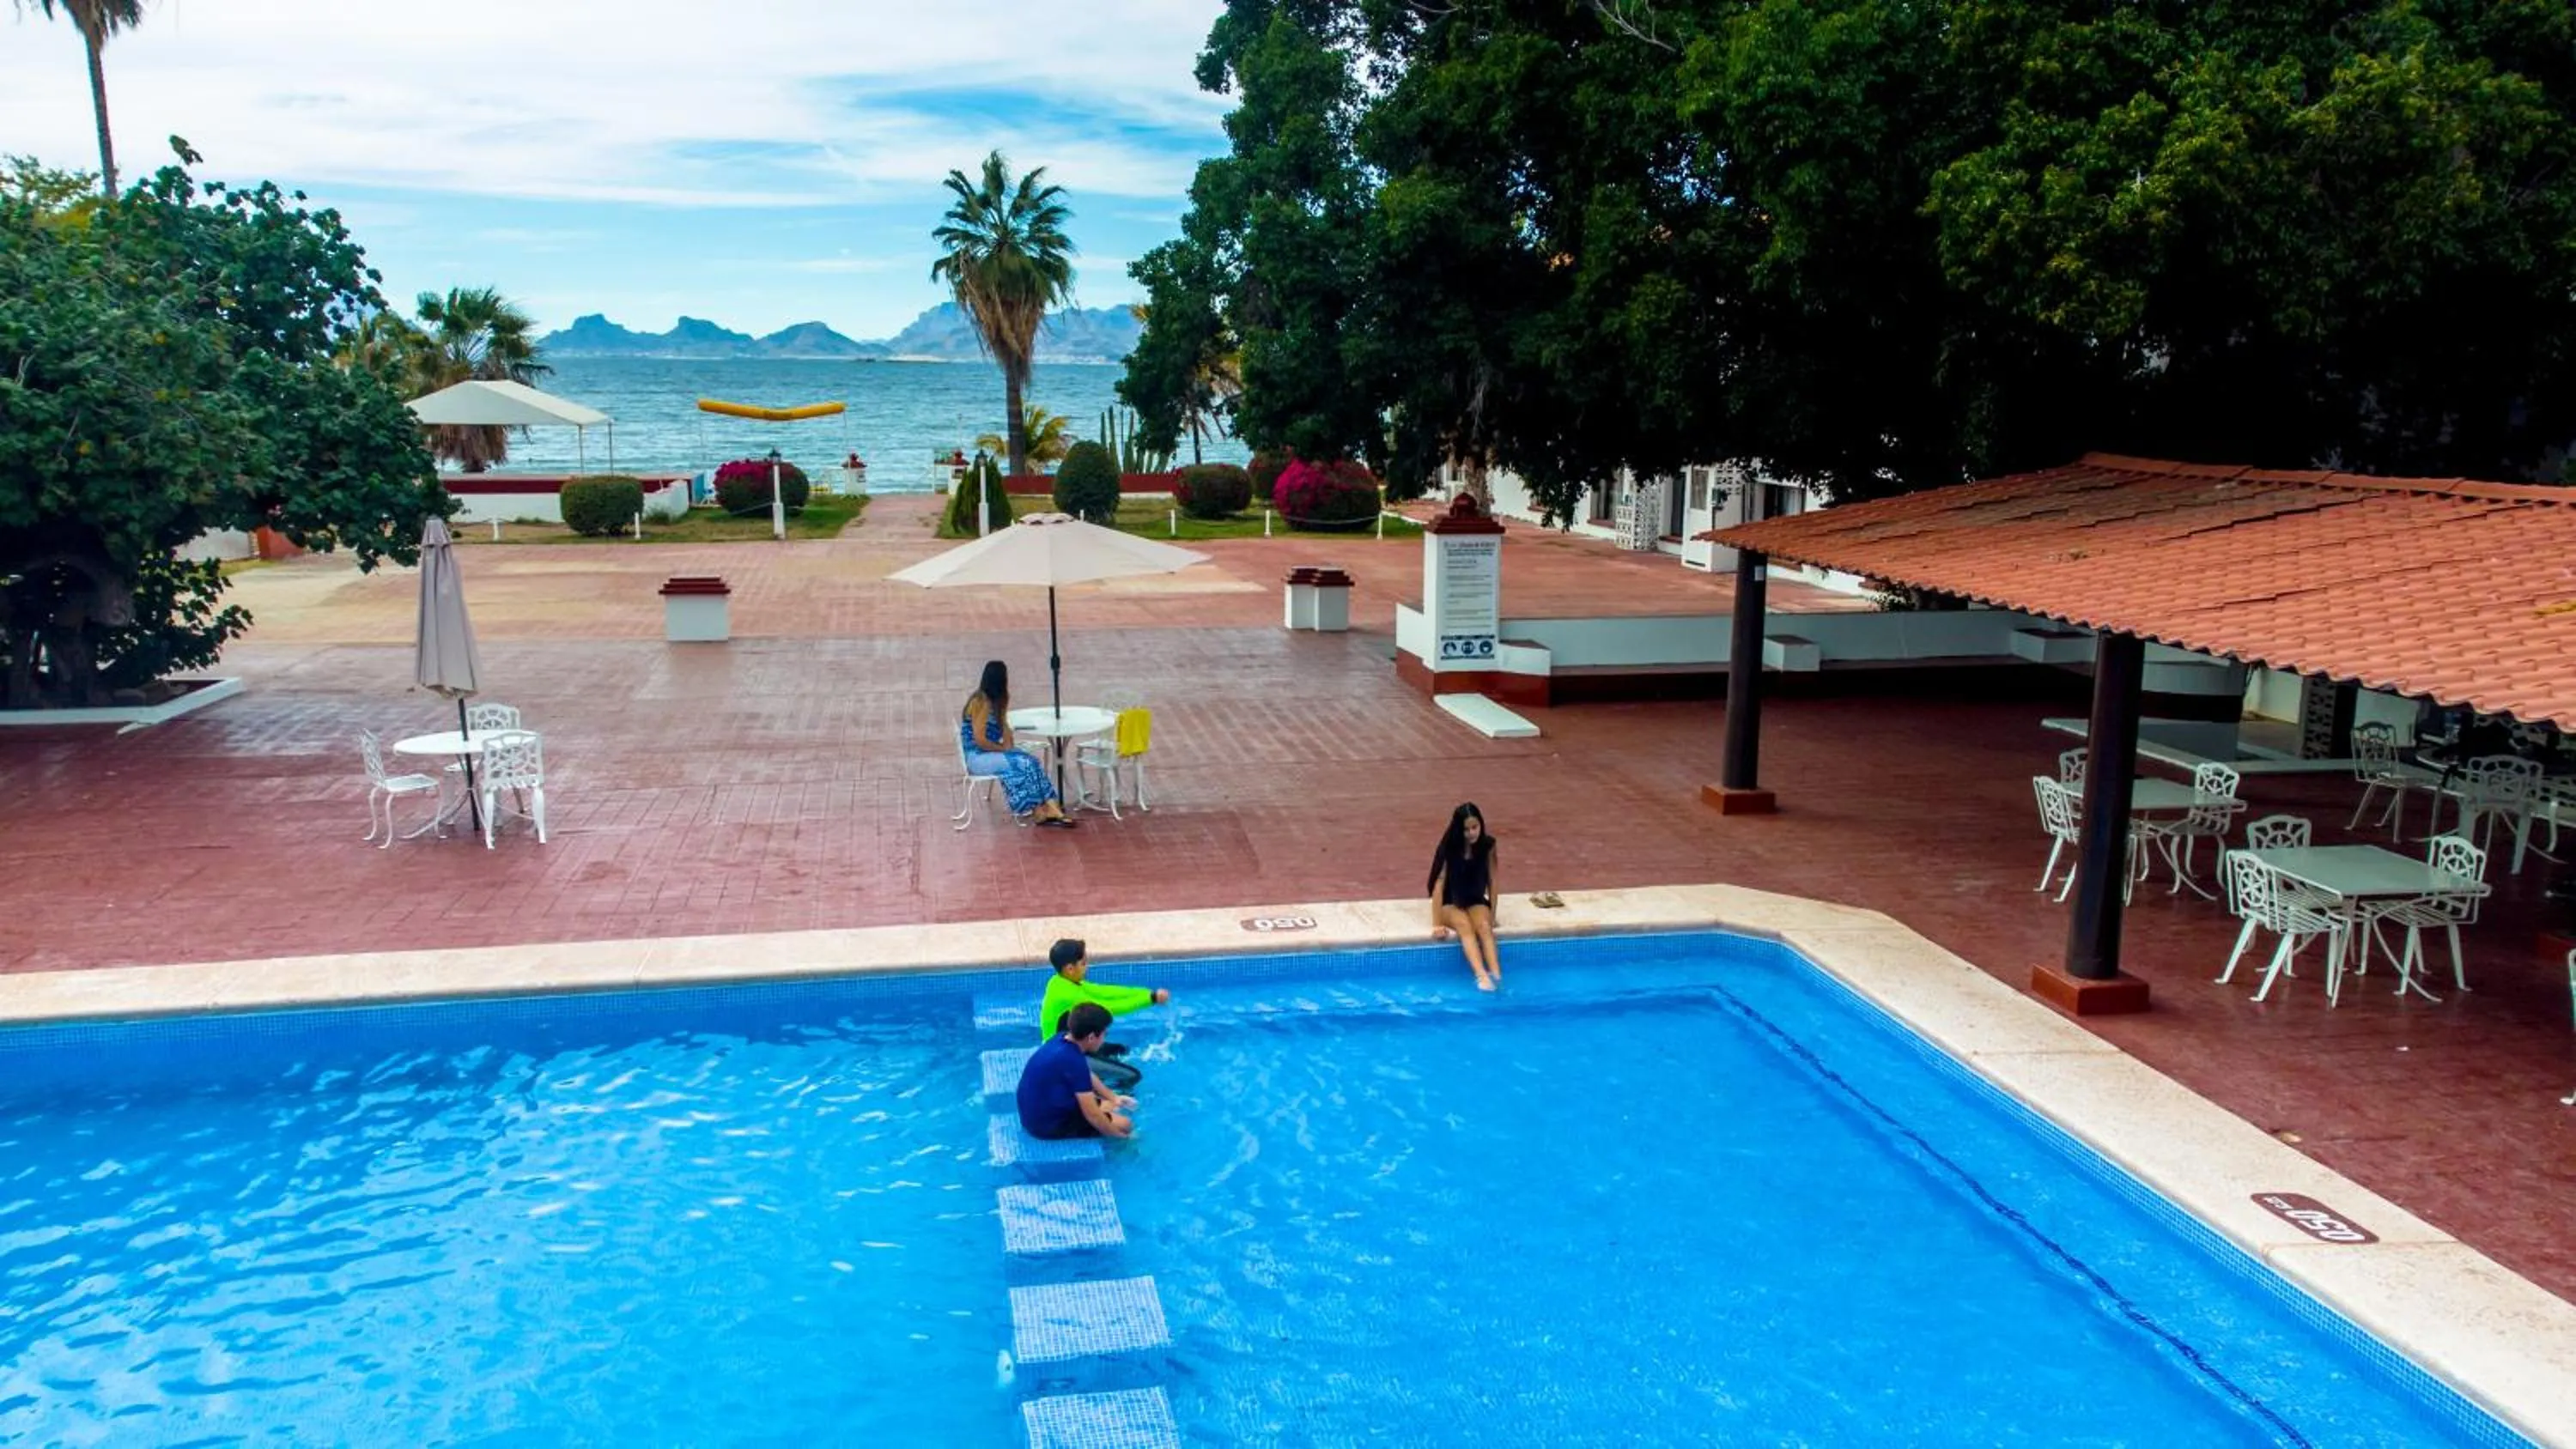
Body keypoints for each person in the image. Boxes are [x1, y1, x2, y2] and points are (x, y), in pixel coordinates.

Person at [1039, 937, 1170, 1091]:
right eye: (1083, 963)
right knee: (1132, 1076)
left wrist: (1147, 994)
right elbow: (1110, 1007)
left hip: (1068, 1047)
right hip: (1061, 1059)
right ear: (1070, 969)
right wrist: (1152, 999)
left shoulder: (1058, 981)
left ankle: (1097, 1086)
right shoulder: (1068, 996)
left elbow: (1105, 992)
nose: (1087, 967)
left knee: (1121, 1051)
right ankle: (1113, 1105)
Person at [961, 660, 1076, 828]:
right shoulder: (981, 702)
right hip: (977, 757)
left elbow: (1006, 736)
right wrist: (1002, 750)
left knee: (1032, 761)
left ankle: (1050, 807)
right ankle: (1038, 809)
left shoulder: (996, 701)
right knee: (1023, 763)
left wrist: (1004, 723)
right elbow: (980, 740)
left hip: (990, 753)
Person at [1016, 1002, 1133, 1140]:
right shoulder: (1073, 1061)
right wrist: (1120, 1137)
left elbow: (1086, 1075)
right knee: (1125, 1124)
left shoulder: (1061, 1038)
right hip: (1046, 1127)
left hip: (1034, 1113)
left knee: (1113, 1106)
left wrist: (1114, 1097)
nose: (1104, 1040)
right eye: (1104, 1034)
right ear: (1091, 1037)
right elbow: (1093, 1115)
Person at [1427, 802, 1502, 991]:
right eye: (1466, 829)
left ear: (1481, 825)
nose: (1472, 833)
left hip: (1474, 898)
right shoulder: (1450, 848)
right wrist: (1437, 923)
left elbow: (1493, 881)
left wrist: (1493, 914)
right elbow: (1439, 884)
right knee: (1464, 926)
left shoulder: (1488, 845)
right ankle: (1481, 975)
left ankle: (1497, 975)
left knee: (1484, 927)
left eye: (1475, 827)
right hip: (1450, 901)